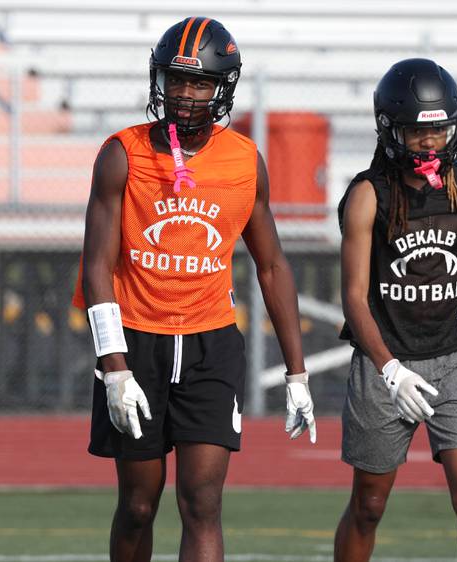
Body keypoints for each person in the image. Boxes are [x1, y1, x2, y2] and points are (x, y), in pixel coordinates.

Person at [72, 17, 315, 562]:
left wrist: (297, 373)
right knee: (137, 504)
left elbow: (272, 266)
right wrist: (113, 365)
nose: (184, 94)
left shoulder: (245, 159)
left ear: (223, 88)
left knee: (202, 502)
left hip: (211, 343)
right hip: (135, 340)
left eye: (200, 83)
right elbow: (96, 267)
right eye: (176, 81)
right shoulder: (122, 153)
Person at [334, 58, 457, 562]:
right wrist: (391, 371)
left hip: (453, 356)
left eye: (439, 129)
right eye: (417, 132)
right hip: (384, 361)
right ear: (390, 131)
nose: (430, 142)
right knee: (369, 504)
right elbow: (353, 298)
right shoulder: (367, 194)